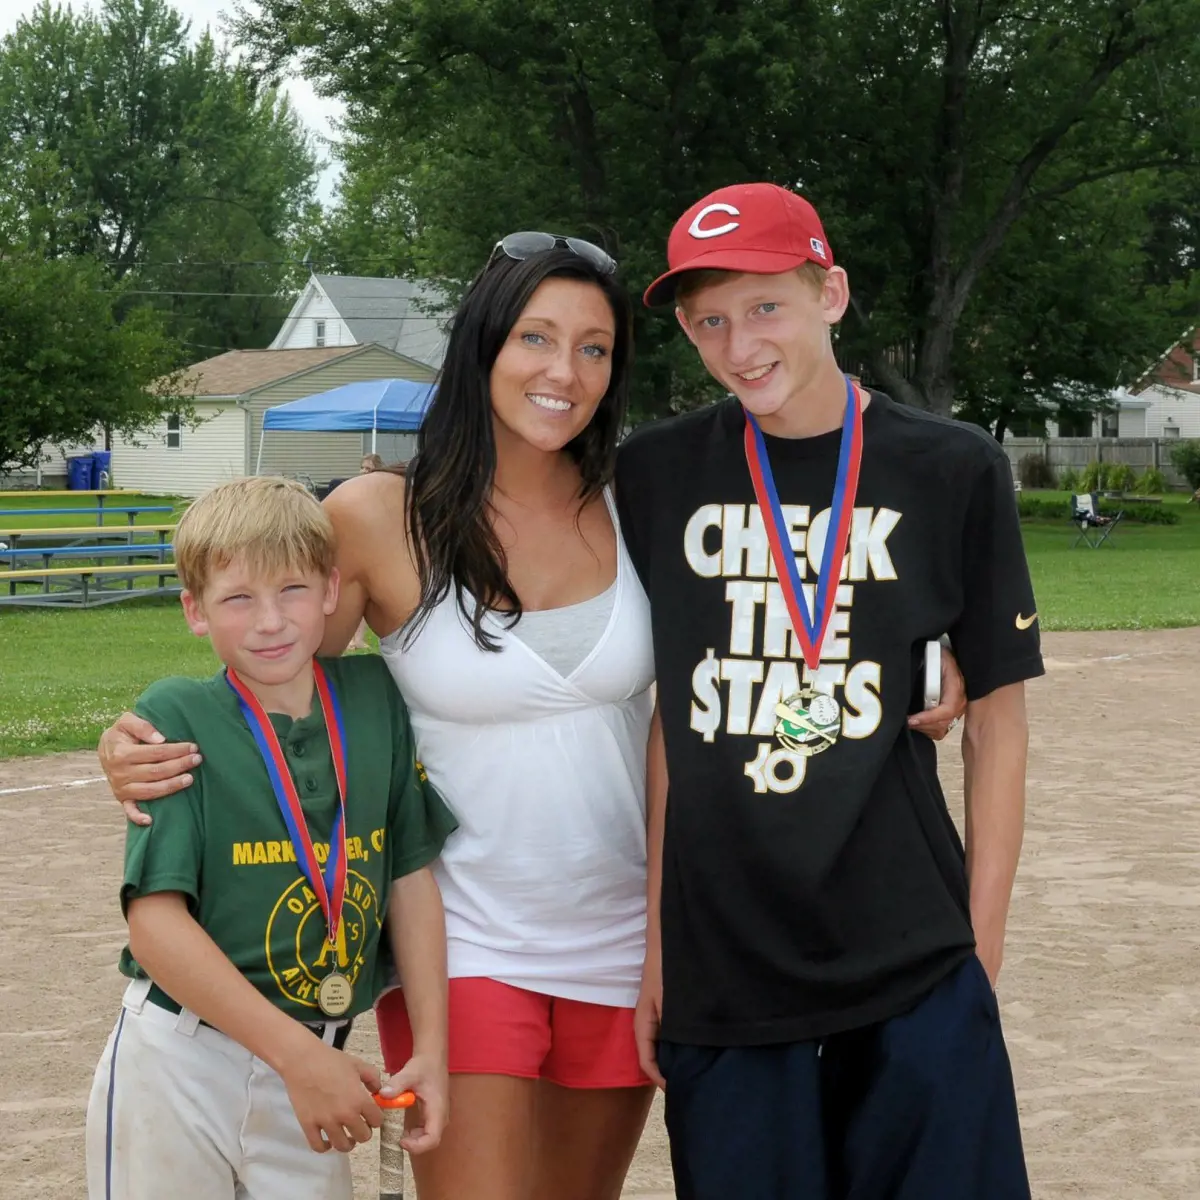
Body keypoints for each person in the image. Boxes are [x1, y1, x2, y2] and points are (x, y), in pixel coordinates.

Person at [96, 233, 968, 1199]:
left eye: (595, 348)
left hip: (629, 934)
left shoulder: (643, 498)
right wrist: (131, 740)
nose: (565, 372)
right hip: (461, 939)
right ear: (483, 346)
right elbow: (273, 678)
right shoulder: (383, 513)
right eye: (536, 338)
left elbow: (777, 621)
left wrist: (927, 660)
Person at [616, 183, 1042, 1200]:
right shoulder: (653, 474)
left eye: (766, 306)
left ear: (831, 293)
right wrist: (658, 954)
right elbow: (670, 723)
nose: (740, 343)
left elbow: (999, 726)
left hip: (910, 949)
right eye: (709, 321)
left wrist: (978, 953)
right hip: (725, 962)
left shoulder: (953, 468)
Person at [85, 475, 457, 1200]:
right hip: (183, 1059)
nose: (269, 622)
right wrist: (294, 1057)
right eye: (237, 599)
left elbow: (411, 882)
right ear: (194, 610)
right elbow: (155, 925)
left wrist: (433, 1051)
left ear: (330, 589)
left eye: (291, 589)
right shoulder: (179, 713)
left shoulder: (376, 698)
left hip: (319, 1065)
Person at [348, 454, 386, 649]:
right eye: (362, 467)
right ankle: (352, 639)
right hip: (355, 550)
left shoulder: (381, 494)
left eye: (368, 469)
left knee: (368, 599)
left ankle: (359, 638)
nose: (363, 472)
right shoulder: (352, 491)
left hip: (374, 553)